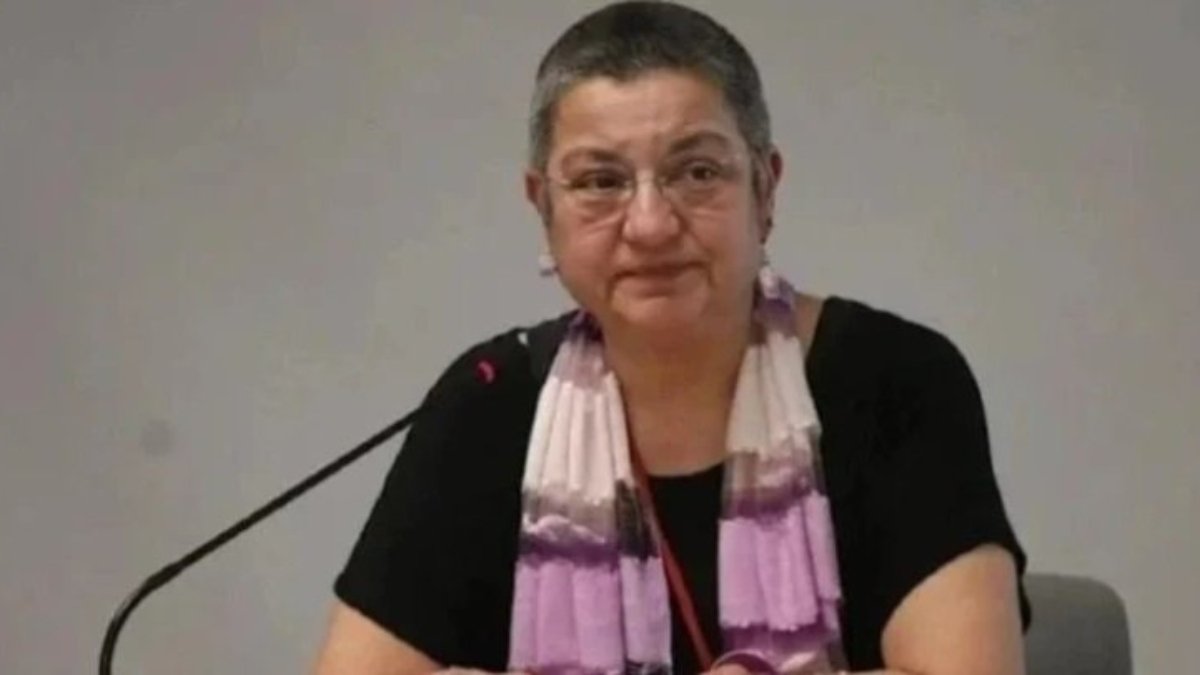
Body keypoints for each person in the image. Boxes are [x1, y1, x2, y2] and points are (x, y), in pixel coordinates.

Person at [313, 2, 1029, 674]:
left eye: (697, 172)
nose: (651, 224)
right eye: (601, 181)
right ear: (544, 207)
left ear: (766, 189)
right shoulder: (490, 403)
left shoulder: (895, 380)